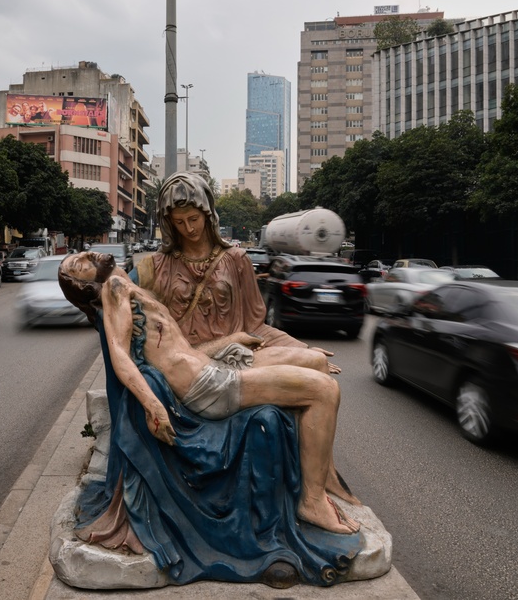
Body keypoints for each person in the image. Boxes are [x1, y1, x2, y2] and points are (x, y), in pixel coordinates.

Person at [60, 251, 359, 535]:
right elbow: (120, 356)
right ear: (84, 284)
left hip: (213, 365)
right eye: (79, 264)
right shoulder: (113, 289)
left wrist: (233, 340)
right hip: (208, 387)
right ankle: (312, 502)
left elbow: (182, 351)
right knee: (324, 391)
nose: (88, 256)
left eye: (82, 254)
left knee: (316, 361)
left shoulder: (126, 283)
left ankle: (323, 476)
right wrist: (153, 404)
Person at [137, 171, 323, 359]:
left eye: (194, 219)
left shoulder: (237, 260)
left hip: (232, 362)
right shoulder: (155, 266)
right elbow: (119, 295)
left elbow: (256, 327)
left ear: (207, 214)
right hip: (181, 365)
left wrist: (303, 350)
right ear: (170, 224)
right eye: (179, 222)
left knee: (316, 368)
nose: (189, 228)